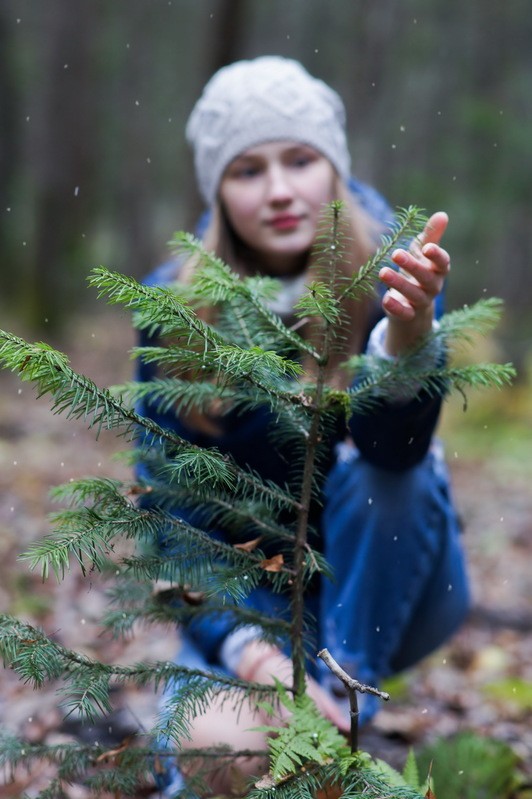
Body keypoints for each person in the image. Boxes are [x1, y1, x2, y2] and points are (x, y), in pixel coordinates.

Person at [136, 56, 470, 795]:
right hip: (248, 609)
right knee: (215, 751)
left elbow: (395, 451)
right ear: (218, 189)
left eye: (300, 159)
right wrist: (255, 656)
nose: (281, 190)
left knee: (387, 472)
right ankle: (310, 736)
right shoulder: (175, 309)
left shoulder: (396, 273)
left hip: (392, 585)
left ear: (336, 168)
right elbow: (174, 519)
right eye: (248, 169)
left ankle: (340, 702)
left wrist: (408, 340)